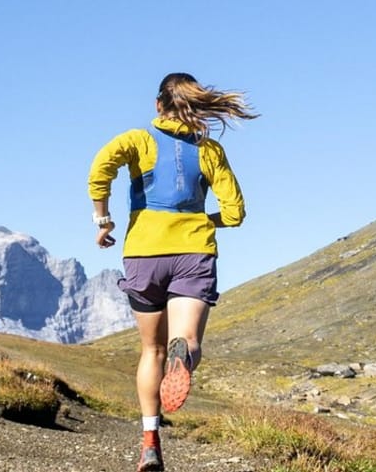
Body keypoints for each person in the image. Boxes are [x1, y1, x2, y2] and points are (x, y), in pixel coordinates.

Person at [89, 72, 252, 472]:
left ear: (158, 105)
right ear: (194, 107)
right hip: (194, 252)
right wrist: (197, 221)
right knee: (187, 339)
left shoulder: (138, 140)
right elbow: (235, 213)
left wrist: (103, 220)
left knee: (151, 350)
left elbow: (100, 170)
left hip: (144, 254)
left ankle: (149, 442)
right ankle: (185, 357)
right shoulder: (209, 150)